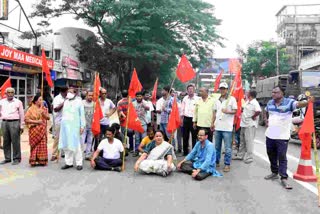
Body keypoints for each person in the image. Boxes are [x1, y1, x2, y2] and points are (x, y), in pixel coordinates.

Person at [263, 86, 310, 189]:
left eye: (275, 92)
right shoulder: (270, 102)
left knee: (282, 156)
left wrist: (307, 102)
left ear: (281, 93)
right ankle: (274, 172)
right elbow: (265, 111)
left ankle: (283, 177)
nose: (273, 94)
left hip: (282, 136)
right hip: (270, 135)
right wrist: (266, 120)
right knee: (271, 154)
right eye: (272, 92)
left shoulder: (289, 102)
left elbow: (298, 104)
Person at [212, 82, 237, 173]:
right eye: (221, 88)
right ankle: (216, 161)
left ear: (227, 90)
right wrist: (212, 123)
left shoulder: (232, 99)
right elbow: (214, 112)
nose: (222, 90)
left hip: (227, 128)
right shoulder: (217, 99)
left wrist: (227, 111)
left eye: (224, 88)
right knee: (217, 147)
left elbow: (235, 111)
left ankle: (227, 164)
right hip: (218, 126)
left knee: (227, 148)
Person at [59, 88, 86, 170]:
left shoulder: (79, 102)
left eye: (71, 92)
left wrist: (82, 126)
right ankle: (68, 162)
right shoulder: (66, 102)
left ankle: (79, 163)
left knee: (76, 145)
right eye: (68, 92)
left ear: (75, 93)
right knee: (67, 145)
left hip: (75, 127)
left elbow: (82, 115)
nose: (68, 93)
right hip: (65, 127)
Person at [233, 90, 261, 164]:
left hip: (250, 124)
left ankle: (249, 157)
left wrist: (253, 116)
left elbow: (258, 111)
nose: (246, 94)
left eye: (247, 93)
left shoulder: (255, 102)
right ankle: (240, 155)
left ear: (250, 95)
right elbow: (243, 108)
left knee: (249, 141)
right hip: (244, 123)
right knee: (242, 140)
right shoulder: (247, 101)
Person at [0, 87, 25, 165]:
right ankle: (7, 158)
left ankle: (17, 158)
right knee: (6, 141)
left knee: (15, 141)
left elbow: (21, 114)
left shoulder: (18, 102)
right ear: (6, 93)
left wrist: (22, 125)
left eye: (12, 92)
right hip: (4, 123)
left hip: (14, 122)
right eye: (9, 92)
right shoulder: (1, 102)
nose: (10, 94)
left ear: (14, 94)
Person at [25, 94, 50, 167]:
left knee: (42, 145)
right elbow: (26, 119)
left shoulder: (44, 108)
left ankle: (42, 160)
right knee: (34, 146)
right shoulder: (30, 109)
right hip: (34, 130)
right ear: (35, 101)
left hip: (42, 130)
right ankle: (33, 160)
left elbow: (48, 118)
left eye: (42, 99)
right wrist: (36, 122)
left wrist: (44, 114)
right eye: (40, 100)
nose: (41, 101)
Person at [51, 86, 68, 161]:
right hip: (59, 121)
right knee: (57, 138)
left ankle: (63, 152)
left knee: (65, 137)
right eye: (67, 91)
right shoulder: (57, 98)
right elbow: (55, 109)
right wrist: (64, 103)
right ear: (64, 92)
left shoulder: (68, 98)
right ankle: (54, 154)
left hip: (67, 120)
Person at [181, 84, 199, 156]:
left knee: (194, 136)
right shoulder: (185, 98)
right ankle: (185, 151)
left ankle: (194, 152)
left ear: (194, 90)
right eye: (189, 89)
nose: (190, 90)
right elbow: (182, 109)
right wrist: (181, 119)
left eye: (192, 89)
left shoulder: (198, 99)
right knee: (185, 136)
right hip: (186, 118)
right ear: (187, 90)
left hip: (193, 119)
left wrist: (196, 120)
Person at [132, 91, 150, 156]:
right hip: (136, 123)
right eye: (137, 96)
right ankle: (136, 151)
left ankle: (144, 151)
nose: (139, 97)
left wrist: (144, 105)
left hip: (143, 123)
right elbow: (131, 112)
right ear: (135, 97)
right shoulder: (133, 103)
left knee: (143, 138)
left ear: (142, 97)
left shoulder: (145, 102)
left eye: (140, 96)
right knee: (137, 138)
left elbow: (148, 108)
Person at [82, 90, 94, 160]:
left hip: (91, 125)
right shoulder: (82, 103)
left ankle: (88, 154)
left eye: (92, 95)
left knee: (90, 140)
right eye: (89, 95)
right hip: (83, 126)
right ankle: (80, 154)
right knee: (82, 140)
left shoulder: (94, 104)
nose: (91, 97)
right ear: (86, 96)